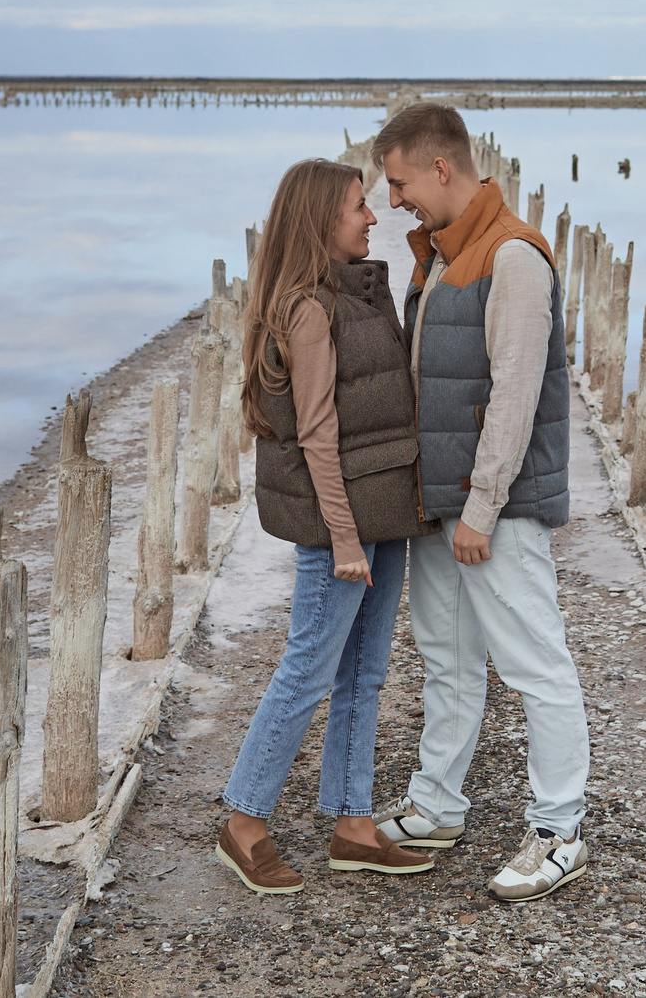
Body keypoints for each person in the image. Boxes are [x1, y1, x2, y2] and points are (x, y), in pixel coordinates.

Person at [366, 103, 593, 903]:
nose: (393, 201)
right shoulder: (439, 254)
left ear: (439, 167)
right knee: (448, 662)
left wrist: (481, 508)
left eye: (397, 183)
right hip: (440, 503)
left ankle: (559, 830)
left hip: (492, 509)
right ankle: (437, 806)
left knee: (536, 663)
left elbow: (516, 395)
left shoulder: (514, 257)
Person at [216, 158, 438, 895]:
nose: (373, 217)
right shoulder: (308, 310)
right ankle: (243, 821)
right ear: (320, 221)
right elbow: (316, 434)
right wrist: (344, 539)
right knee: (308, 670)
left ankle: (352, 824)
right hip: (341, 525)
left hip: (382, 514)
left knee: (365, 674)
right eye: (357, 208)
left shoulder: (356, 292)